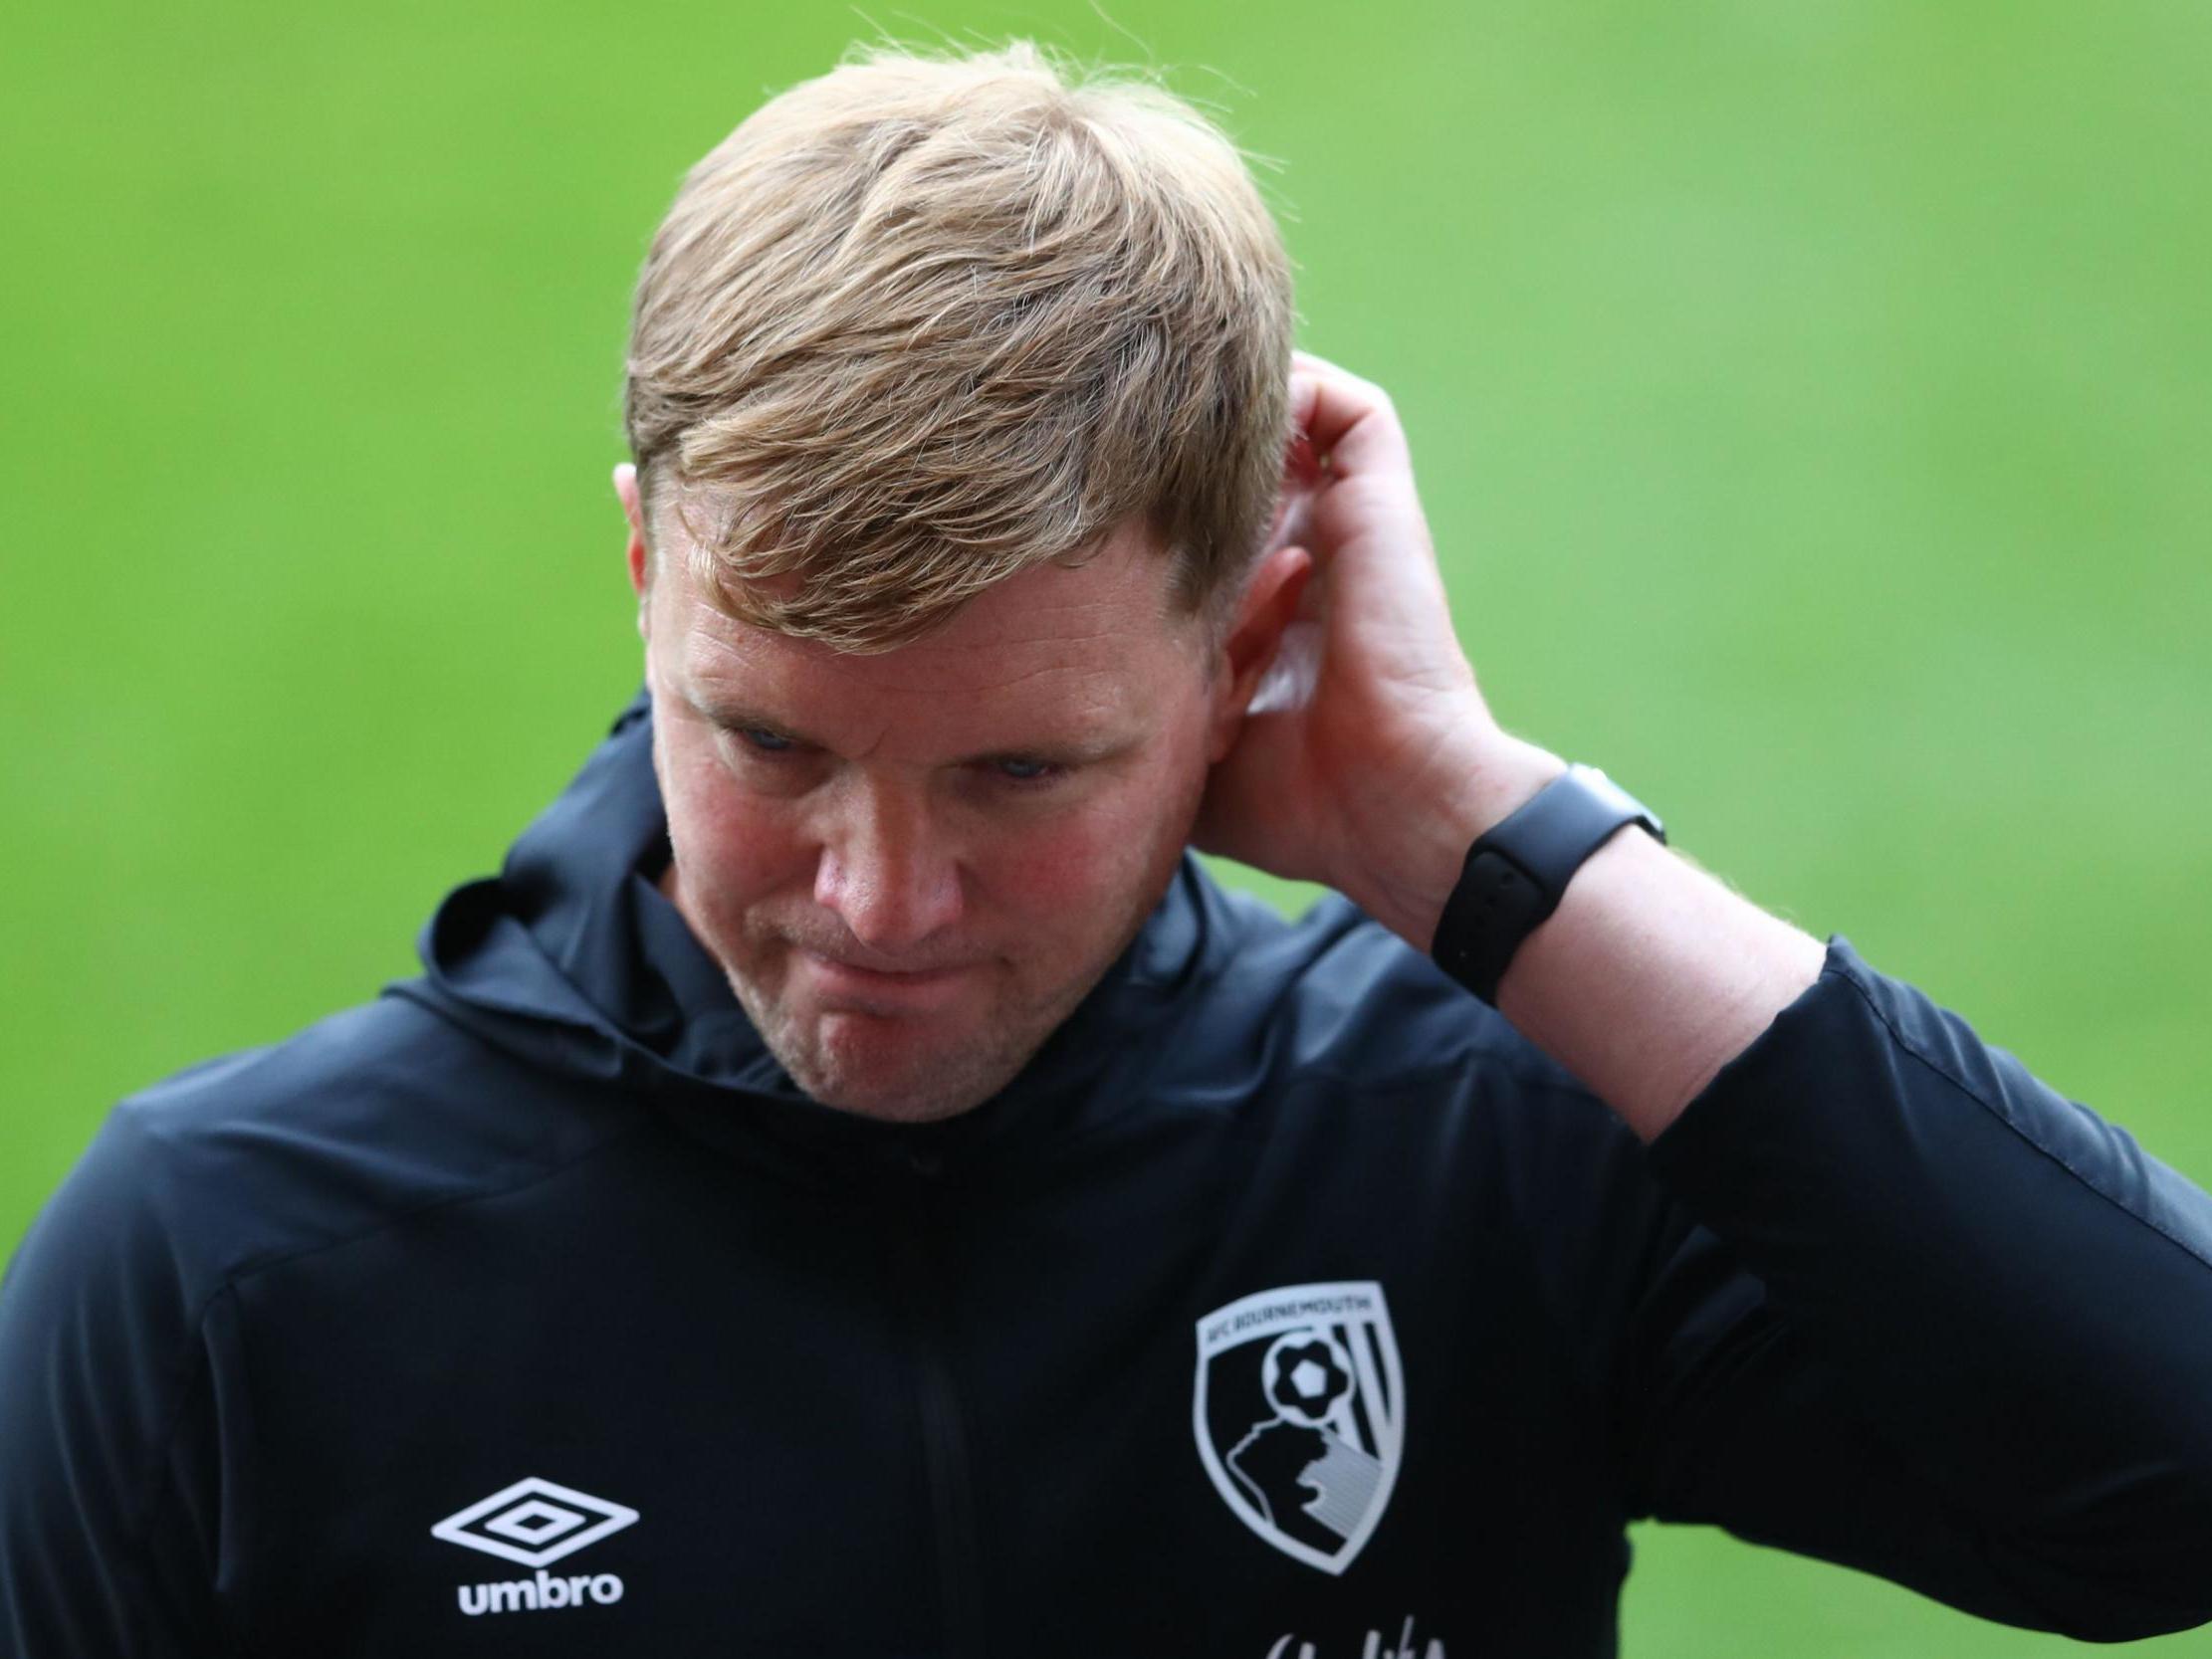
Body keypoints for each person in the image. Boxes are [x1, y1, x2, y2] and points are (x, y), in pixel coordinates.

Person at [3, 41, 2209, 1658]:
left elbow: (2163, 1485)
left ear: (1248, 640)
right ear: (646, 570)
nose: (876, 902)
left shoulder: (1469, 1133)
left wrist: (1470, 829)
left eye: (1018, 774)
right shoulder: (229, 1274)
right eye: (767, 741)